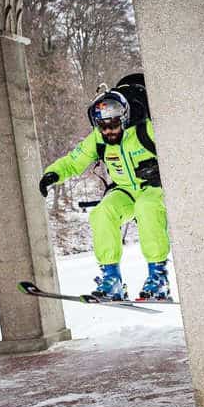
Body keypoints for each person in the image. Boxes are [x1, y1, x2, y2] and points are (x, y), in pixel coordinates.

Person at [38, 89, 171, 301]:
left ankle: (158, 277)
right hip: (126, 190)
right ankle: (112, 279)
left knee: (146, 208)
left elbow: (178, 150)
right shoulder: (98, 140)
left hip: (154, 188)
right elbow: (74, 161)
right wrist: (52, 175)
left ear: (124, 119)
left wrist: (161, 169)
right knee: (102, 212)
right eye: (103, 126)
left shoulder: (146, 131)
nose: (108, 131)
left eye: (114, 124)